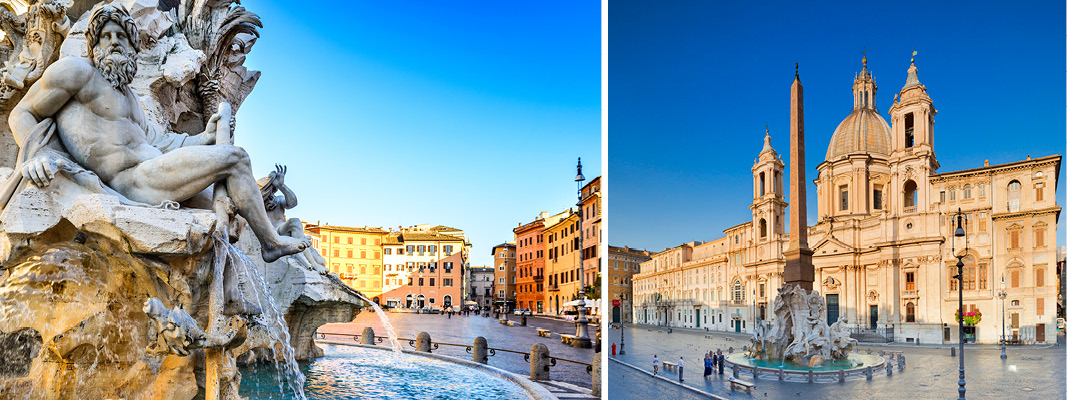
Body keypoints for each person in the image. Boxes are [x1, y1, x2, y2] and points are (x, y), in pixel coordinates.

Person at [8, 5, 308, 263]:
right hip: (131, 181)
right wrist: (36, 155)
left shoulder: (131, 99)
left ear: (131, 46)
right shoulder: (76, 72)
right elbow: (22, 113)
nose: (114, 42)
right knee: (236, 158)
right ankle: (270, 243)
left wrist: (205, 136)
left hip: (153, 172)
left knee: (231, 214)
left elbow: (161, 142)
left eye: (121, 37)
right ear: (94, 45)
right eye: (106, 36)